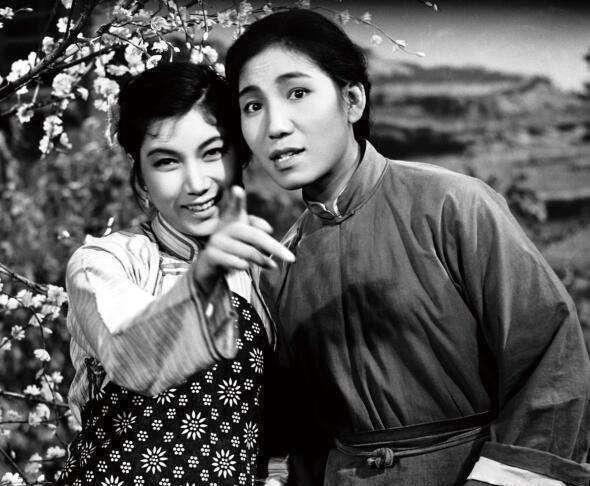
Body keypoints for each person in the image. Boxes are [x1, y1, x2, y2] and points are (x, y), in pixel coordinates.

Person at [225, 9, 590, 486]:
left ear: (352, 100)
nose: (275, 126)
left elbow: (549, 361)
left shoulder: (454, 205)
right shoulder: (278, 268)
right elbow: (299, 431)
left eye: (297, 93)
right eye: (253, 106)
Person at [57, 62, 294, 486]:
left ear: (240, 155)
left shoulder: (266, 272)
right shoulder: (105, 263)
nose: (196, 183)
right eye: (166, 162)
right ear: (141, 178)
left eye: (212, 152)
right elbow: (133, 358)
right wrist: (203, 277)